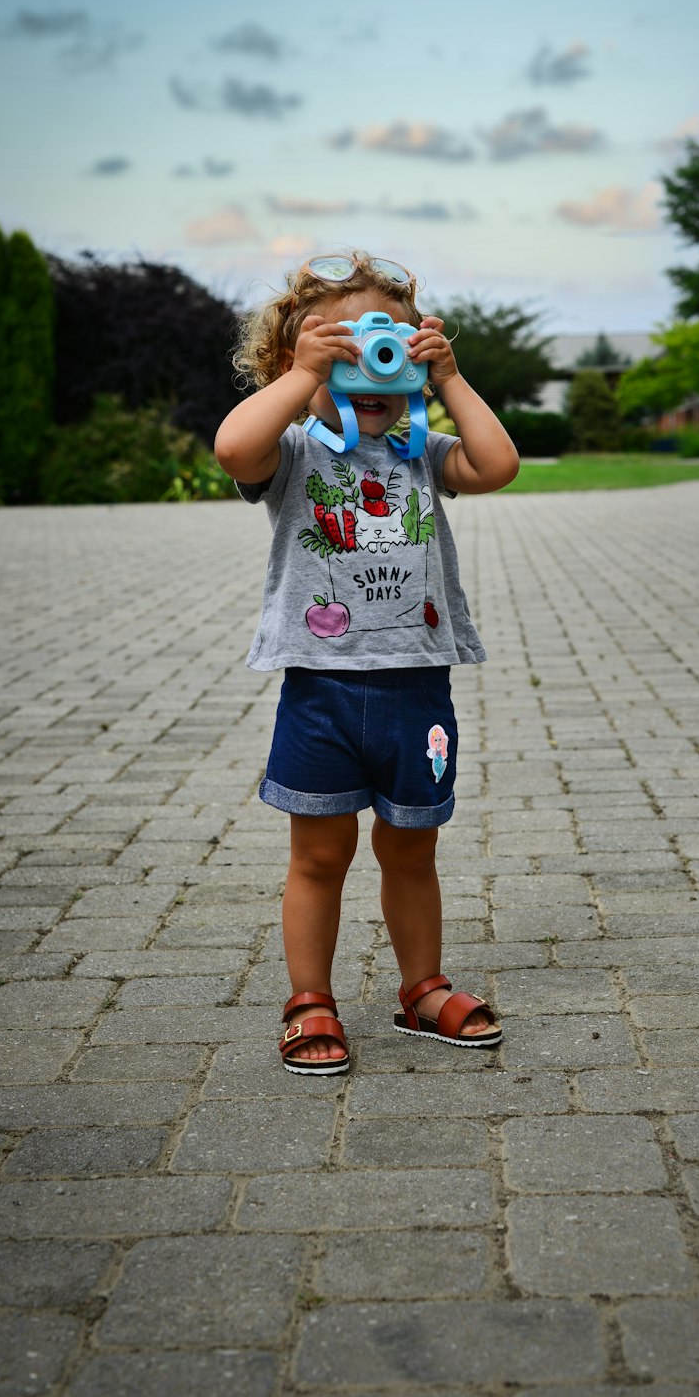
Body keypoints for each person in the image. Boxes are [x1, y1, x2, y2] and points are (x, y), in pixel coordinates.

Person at [215, 252, 520, 1075]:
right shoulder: (294, 450)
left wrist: (450, 379)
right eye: (342, 349)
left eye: (385, 344)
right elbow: (232, 447)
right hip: (319, 687)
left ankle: (422, 987)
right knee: (318, 857)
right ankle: (308, 999)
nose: (368, 368)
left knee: (412, 849)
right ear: (295, 362)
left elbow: (497, 465)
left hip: (417, 688)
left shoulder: (422, 450)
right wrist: (302, 374)